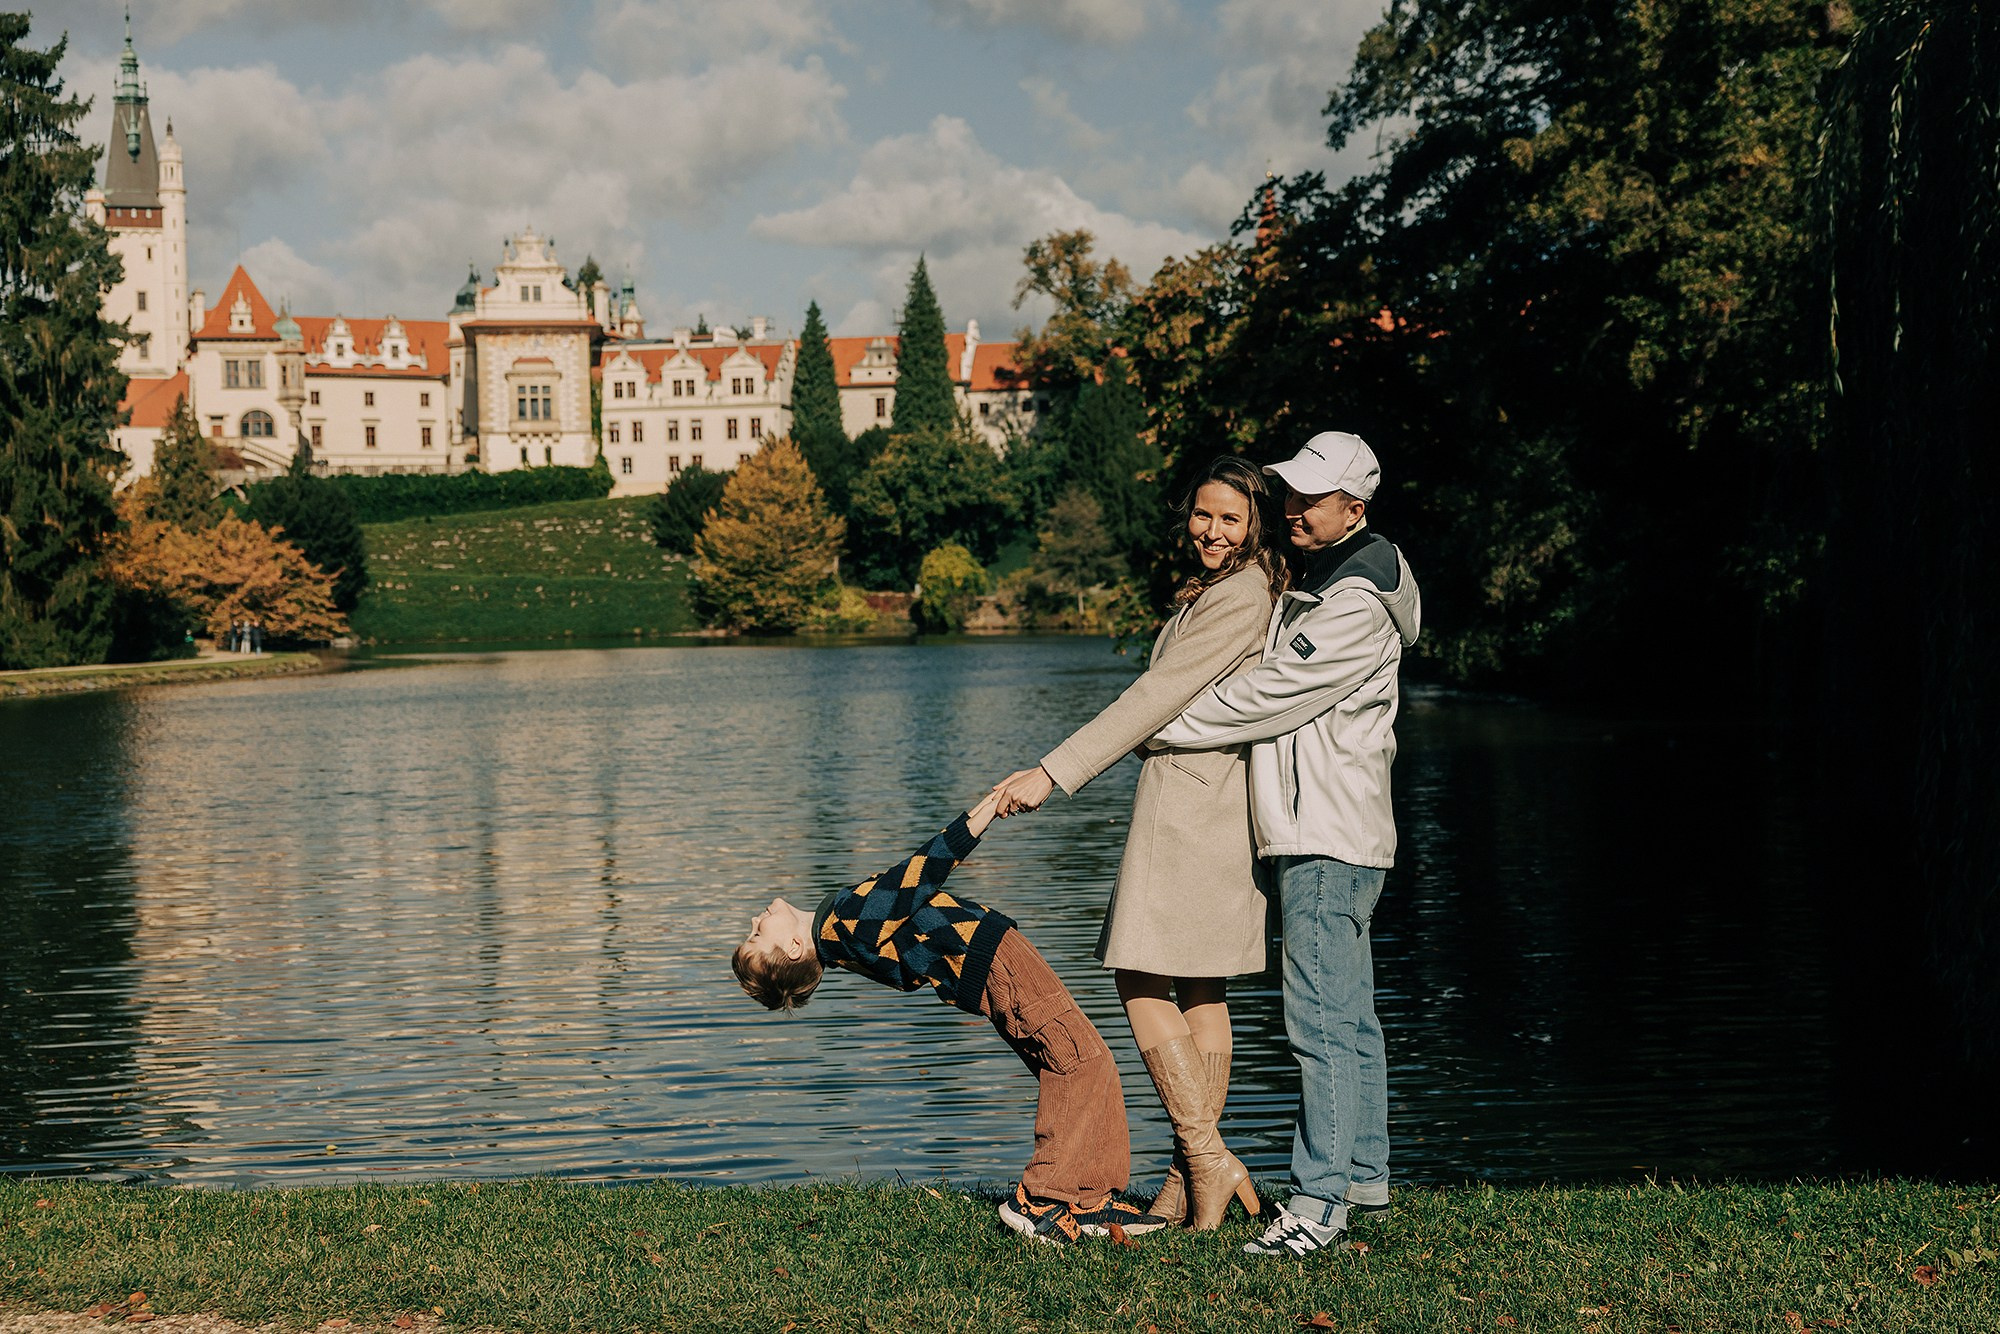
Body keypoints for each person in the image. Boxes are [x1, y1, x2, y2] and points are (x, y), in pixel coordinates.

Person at [990, 455, 1284, 1231]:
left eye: (1230, 518)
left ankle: (1207, 1158)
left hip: (1193, 806)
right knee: (1200, 989)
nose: (1212, 530)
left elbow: (1153, 697)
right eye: (1203, 514)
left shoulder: (1241, 595)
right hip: (1210, 802)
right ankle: (1194, 1183)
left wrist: (1053, 772)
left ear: (1256, 522)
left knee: (1139, 976)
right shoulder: (1232, 591)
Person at [1148, 431, 1421, 1260]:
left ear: (1356, 510)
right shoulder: (1337, 574)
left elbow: (1265, 696)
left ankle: (1317, 1204)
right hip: (1336, 834)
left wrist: (1158, 727)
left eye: (1313, 499)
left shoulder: (1353, 603)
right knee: (1352, 1016)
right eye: (1291, 494)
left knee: (1319, 1024)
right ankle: (1365, 1176)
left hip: (1326, 838)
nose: (1294, 510)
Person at [731, 790, 1167, 1246]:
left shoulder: (840, 934)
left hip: (985, 966)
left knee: (1074, 1063)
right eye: (757, 936)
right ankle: (1039, 1200)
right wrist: (983, 813)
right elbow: (920, 873)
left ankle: (1090, 1199)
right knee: (1081, 1060)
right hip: (994, 959)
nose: (754, 921)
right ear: (794, 949)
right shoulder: (845, 922)